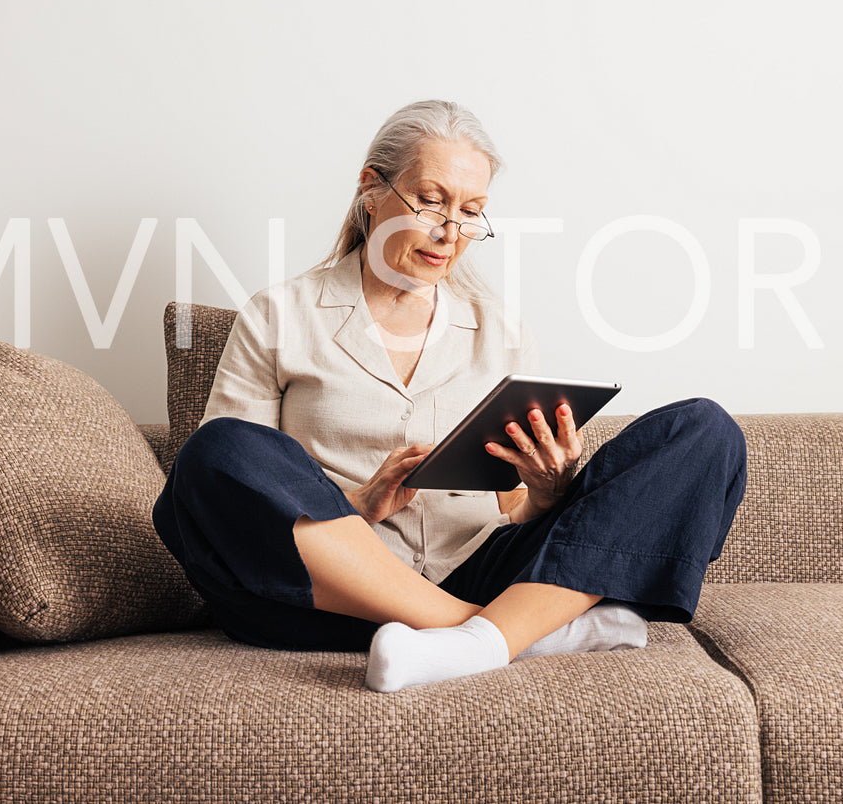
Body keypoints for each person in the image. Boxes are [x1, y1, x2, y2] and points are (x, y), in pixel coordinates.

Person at [153, 100, 747, 693]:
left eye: (471, 212)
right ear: (370, 189)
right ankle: (503, 636)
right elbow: (232, 501)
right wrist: (359, 505)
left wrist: (545, 492)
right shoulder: (278, 315)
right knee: (215, 451)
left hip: (478, 570)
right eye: (432, 201)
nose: (450, 232)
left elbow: (509, 509)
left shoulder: (502, 331)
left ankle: (478, 637)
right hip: (327, 602)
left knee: (702, 431)